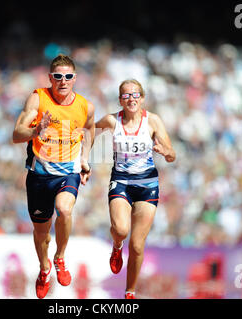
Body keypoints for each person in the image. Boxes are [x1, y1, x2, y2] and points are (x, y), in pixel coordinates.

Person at [12, 54, 95, 299]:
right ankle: (44, 267)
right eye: (58, 76)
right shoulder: (38, 98)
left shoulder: (85, 105)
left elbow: (90, 128)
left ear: (75, 78)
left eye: (68, 76)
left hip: (68, 172)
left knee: (65, 209)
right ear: (50, 78)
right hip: (39, 175)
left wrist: (85, 158)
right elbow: (16, 134)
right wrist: (35, 130)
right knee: (41, 233)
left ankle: (59, 257)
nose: (63, 81)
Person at [95, 79, 176, 299]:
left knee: (138, 245)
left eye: (135, 94)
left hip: (147, 183)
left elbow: (171, 154)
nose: (131, 99)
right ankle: (117, 245)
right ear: (120, 100)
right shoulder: (112, 121)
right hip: (121, 180)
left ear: (142, 97)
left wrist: (165, 151)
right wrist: (85, 160)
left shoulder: (153, 121)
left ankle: (130, 291)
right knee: (121, 230)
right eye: (126, 95)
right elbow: (88, 133)